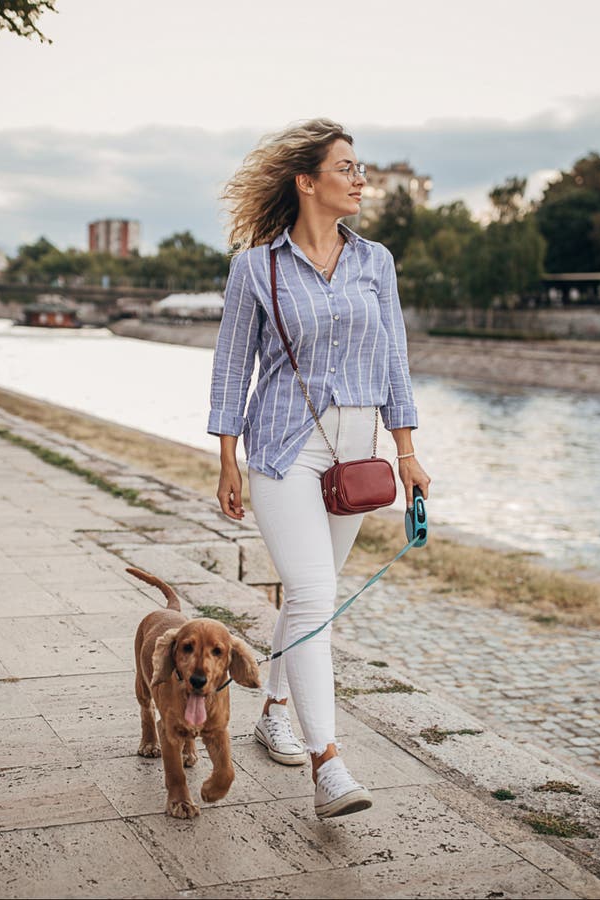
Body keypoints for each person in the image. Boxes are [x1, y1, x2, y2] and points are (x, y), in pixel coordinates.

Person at [208, 119, 430, 819]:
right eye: (347, 169)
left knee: (312, 597)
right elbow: (231, 366)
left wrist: (408, 452)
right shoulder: (257, 267)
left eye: (360, 168)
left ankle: (273, 708)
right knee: (308, 592)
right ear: (308, 182)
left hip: (356, 452)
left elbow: (394, 359)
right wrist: (225, 460)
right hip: (281, 448)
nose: (360, 180)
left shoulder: (377, 263)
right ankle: (327, 763)